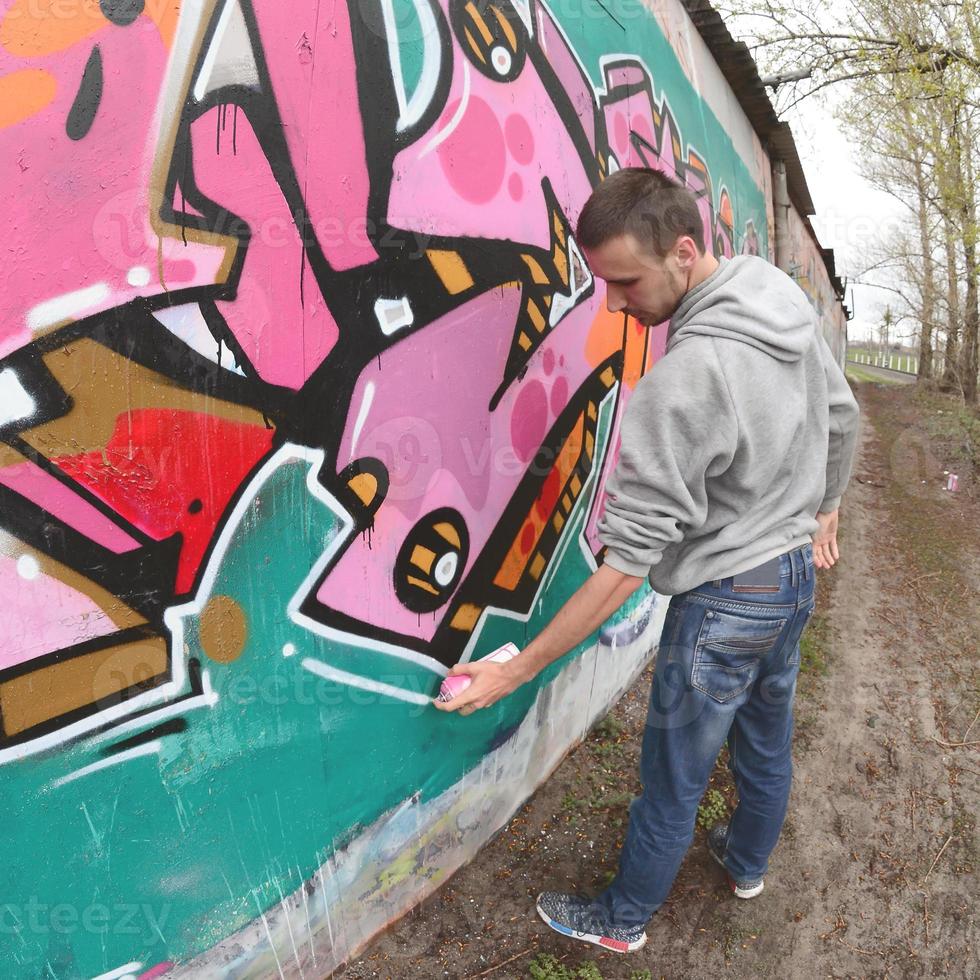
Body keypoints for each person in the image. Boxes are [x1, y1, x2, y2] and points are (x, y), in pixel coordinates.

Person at [433, 168, 860, 954]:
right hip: (792, 578)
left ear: (684, 252)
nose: (615, 302)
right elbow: (844, 413)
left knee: (675, 776)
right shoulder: (775, 294)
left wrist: (518, 668)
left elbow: (625, 566)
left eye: (625, 280)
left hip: (726, 601)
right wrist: (824, 507)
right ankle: (746, 864)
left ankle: (623, 921)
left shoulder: (685, 379)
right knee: (766, 737)